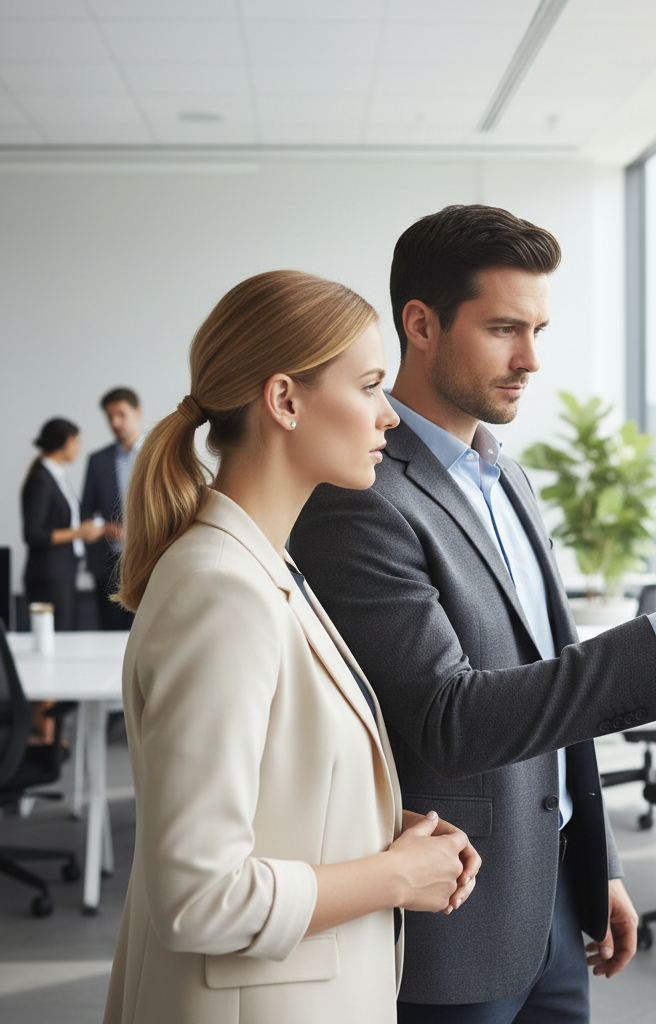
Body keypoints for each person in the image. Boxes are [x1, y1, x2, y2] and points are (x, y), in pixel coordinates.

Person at [290, 205, 656, 1023]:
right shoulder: (361, 500)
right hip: (455, 927)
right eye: (502, 329)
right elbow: (450, 719)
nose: (530, 359)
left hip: (559, 901)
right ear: (420, 324)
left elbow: (549, 682)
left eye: (538, 329)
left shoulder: (511, 478)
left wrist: (600, 867)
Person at [103, 270, 481, 1024]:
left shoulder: (266, 567)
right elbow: (199, 897)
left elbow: (271, 787)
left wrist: (377, 828)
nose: (390, 416)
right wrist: (394, 876)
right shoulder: (221, 588)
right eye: (371, 385)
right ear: (284, 400)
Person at [21, 417, 103, 632]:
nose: (78, 448)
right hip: (49, 575)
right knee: (57, 636)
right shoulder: (42, 479)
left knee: (66, 633)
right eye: (78, 442)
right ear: (68, 441)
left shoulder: (55, 475)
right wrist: (79, 533)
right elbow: (33, 534)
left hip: (62, 572)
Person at [81, 386, 145, 630]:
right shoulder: (98, 461)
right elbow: (86, 512)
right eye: (110, 417)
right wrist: (106, 527)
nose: (115, 422)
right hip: (110, 565)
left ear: (137, 413)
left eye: (121, 414)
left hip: (150, 559)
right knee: (110, 636)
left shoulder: (158, 455)